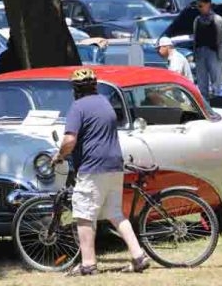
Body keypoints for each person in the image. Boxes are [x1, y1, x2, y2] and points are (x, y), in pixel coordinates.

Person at [51, 68, 150, 276]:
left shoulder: (78, 107)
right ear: (94, 86)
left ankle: (88, 264)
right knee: (115, 214)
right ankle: (139, 256)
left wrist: (59, 156)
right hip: (114, 165)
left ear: (75, 90)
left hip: (92, 167)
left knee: (84, 215)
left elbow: (69, 140)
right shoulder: (104, 102)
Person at [193, 0, 222, 99]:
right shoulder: (197, 20)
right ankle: (204, 100)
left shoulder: (218, 19)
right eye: (198, 6)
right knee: (201, 80)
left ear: (208, 5)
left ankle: (217, 98)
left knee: (216, 78)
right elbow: (195, 36)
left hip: (213, 52)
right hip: (200, 52)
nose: (199, 8)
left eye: (201, 6)